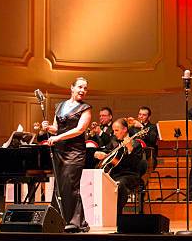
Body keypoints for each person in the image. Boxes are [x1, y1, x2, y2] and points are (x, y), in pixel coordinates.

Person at [41, 77, 92, 233]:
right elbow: (57, 128)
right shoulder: (60, 106)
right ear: (72, 88)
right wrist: (48, 128)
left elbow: (79, 130)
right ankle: (59, 220)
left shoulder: (86, 108)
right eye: (80, 87)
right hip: (60, 151)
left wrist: (57, 137)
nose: (82, 90)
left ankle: (76, 222)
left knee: (70, 185)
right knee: (60, 186)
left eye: (85, 88)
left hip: (75, 152)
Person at [94, 118, 146, 215]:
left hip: (130, 175)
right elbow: (107, 151)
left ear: (125, 129)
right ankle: (100, 213)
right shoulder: (114, 141)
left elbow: (135, 165)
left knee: (118, 184)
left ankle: (117, 215)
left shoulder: (136, 144)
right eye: (113, 130)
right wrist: (99, 154)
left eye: (116, 130)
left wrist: (130, 149)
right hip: (114, 174)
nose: (114, 133)